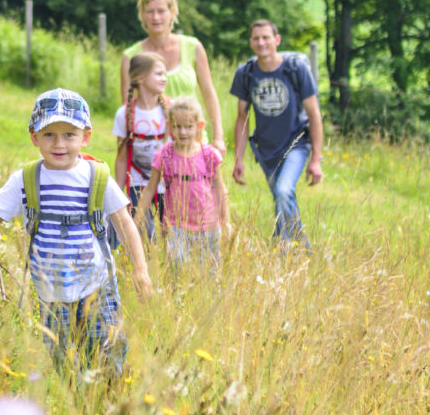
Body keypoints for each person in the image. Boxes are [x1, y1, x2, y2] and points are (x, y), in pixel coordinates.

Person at [0, 88, 152, 382]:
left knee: (108, 356)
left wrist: (141, 270)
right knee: (64, 365)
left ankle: (108, 402)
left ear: (86, 137)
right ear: (34, 137)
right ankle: (77, 403)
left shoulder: (97, 176)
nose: (59, 143)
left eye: (69, 134)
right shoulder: (27, 179)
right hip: (52, 295)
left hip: (97, 287)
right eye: (49, 134)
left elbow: (125, 224)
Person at [230, 19, 323, 247]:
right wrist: (238, 159)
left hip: (296, 144)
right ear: (251, 42)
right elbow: (242, 118)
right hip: (266, 150)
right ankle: (302, 249)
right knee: (283, 198)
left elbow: (314, 115)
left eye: (266, 37)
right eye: (256, 38)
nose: (261, 42)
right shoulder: (246, 73)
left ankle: (282, 248)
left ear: (277, 40)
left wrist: (316, 159)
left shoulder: (296, 69)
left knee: (283, 191)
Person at [120, 0, 226, 156]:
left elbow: (209, 94)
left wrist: (218, 137)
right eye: (150, 11)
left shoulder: (193, 47)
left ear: (172, 12)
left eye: (161, 11)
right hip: (153, 144)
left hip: (194, 141)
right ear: (142, 15)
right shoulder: (131, 56)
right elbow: (128, 107)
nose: (156, 17)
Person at [136, 96, 230, 268]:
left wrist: (226, 222)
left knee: (209, 272)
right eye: (177, 127)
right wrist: (136, 219)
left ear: (199, 126)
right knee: (178, 269)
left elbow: (220, 189)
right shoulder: (164, 156)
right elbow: (150, 189)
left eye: (188, 127)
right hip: (176, 226)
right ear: (170, 126)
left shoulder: (209, 155)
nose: (183, 132)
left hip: (208, 225)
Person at [113, 52, 168, 239]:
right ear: (140, 79)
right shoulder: (124, 114)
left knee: (171, 234)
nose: (164, 78)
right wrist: (118, 192)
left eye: (165, 74)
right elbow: (122, 157)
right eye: (158, 74)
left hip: (167, 184)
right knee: (144, 234)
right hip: (138, 184)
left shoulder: (170, 110)